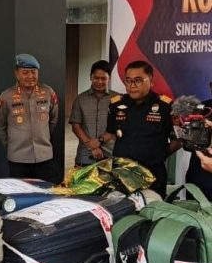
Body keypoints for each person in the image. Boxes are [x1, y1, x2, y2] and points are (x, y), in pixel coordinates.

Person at [102, 60, 180, 198]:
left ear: (151, 81)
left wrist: (160, 155)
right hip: (122, 174)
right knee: (122, 209)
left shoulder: (165, 107)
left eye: (138, 81)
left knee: (152, 209)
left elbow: (178, 139)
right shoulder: (116, 105)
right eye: (128, 81)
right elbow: (113, 133)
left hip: (152, 174)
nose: (132, 85)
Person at [0, 53, 58, 180]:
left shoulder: (48, 92)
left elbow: (53, 120)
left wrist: (42, 137)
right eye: (25, 72)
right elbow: (0, 126)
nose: (30, 76)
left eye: (34, 72)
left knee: (46, 191)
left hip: (44, 157)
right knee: (20, 191)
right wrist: (13, 144)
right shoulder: (6, 96)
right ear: (16, 74)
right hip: (18, 159)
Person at [69, 60, 118, 166]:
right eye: (96, 78)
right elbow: (75, 126)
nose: (99, 82)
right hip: (85, 153)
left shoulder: (117, 99)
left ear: (109, 78)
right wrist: (90, 145)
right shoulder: (80, 99)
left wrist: (99, 141)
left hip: (110, 153)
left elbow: (119, 126)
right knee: (82, 177)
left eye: (103, 78)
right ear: (91, 77)